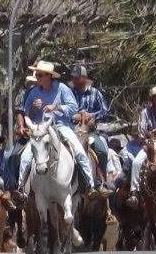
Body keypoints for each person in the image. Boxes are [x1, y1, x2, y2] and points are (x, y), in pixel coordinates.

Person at [15, 60, 103, 198]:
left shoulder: (62, 88)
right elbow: (27, 115)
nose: (37, 77)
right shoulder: (33, 93)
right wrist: (33, 108)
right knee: (26, 156)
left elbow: (73, 107)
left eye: (40, 75)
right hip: (41, 128)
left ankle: (91, 185)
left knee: (79, 151)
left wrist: (56, 107)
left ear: (49, 76)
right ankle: (21, 188)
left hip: (61, 125)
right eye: (37, 75)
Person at [70, 64, 112, 170]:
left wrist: (93, 115)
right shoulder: (69, 93)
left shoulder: (95, 93)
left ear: (84, 78)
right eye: (73, 78)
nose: (74, 80)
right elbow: (63, 110)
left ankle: (101, 180)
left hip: (91, 131)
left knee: (102, 151)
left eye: (77, 78)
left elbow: (105, 111)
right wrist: (74, 116)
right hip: (73, 130)